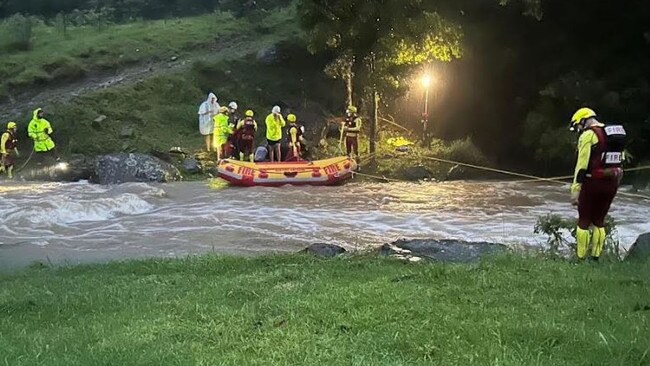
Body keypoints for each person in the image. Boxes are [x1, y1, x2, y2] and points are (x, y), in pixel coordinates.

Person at [569, 107, 626, 261]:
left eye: (578, 126)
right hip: (611, 184)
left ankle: (580, 258)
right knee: (599, 221)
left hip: (592, 183)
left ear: (583, 120)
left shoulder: (588, 135)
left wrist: (575, 189)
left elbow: (581, 165)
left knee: (584, 221)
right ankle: (596, 257)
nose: (579, 129)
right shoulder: (613, 134)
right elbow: (621, 161)